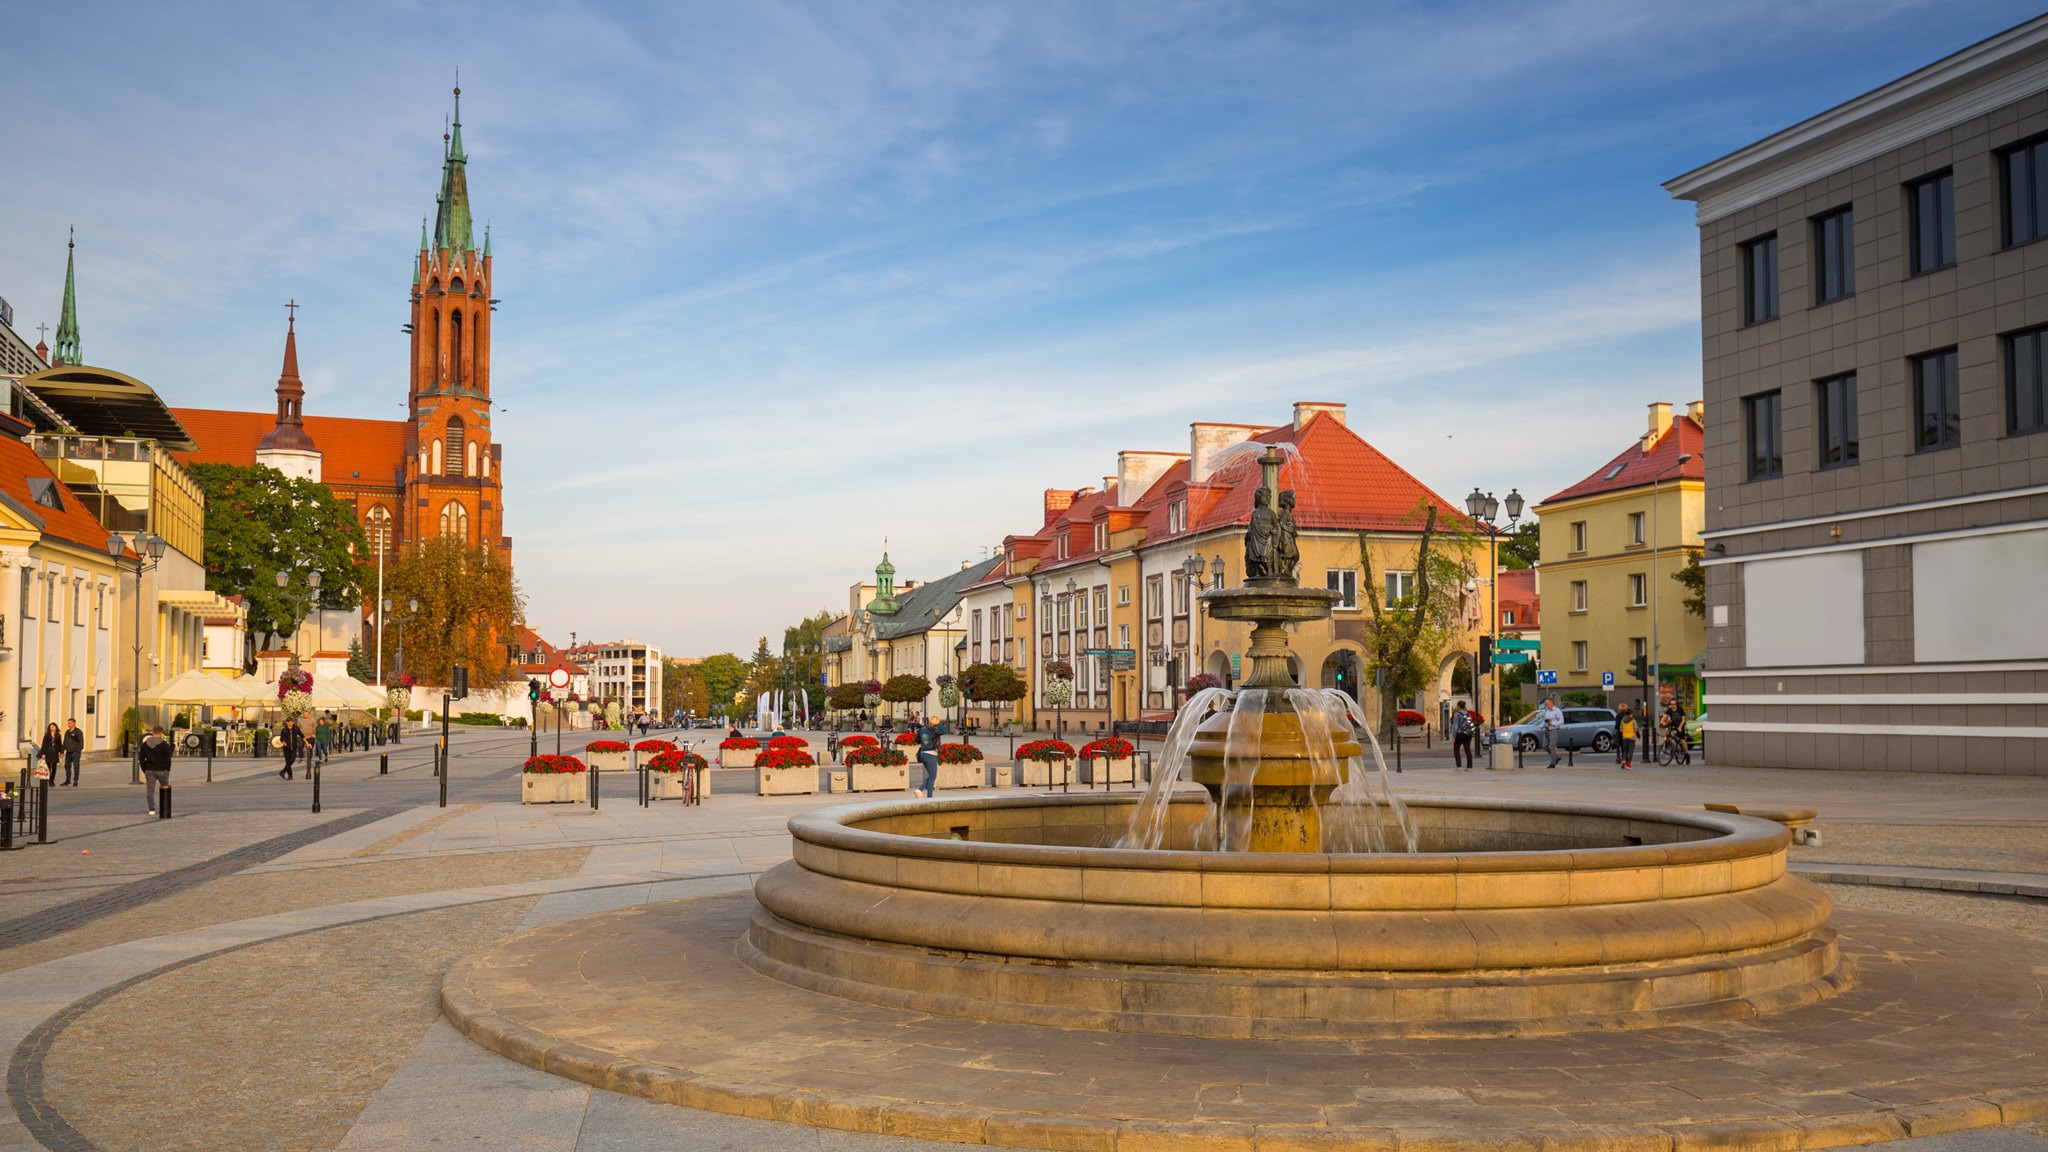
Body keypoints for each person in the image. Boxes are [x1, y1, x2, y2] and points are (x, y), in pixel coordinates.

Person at [912, 713, 950, 798]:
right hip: (930, 754)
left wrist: (924, 742)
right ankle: (921, 790)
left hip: (922, 754)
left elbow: (916, 740)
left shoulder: (922, 729)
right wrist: (938, 724)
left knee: (931, 776)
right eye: (937, 721)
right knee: (933, 776)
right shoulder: (934, 730)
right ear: (935, 722)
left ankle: (928, 796)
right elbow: (945, 730)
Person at [140, 724, 173, 815]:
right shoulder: (164, 744)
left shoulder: (145, 744)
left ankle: (152, 809)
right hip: (162, 770)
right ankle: (165, 809)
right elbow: (167, 759)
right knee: (165, 789)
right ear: (161, 733)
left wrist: (145, 769)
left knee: (150, 790)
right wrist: (167, 769)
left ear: (152, 732)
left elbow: (141, 759)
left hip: (149, 770)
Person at [1539, 697, 1564, 768]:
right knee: (1544, 746)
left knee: (1552, 747)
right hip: (1546, 730)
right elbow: (1545, 721)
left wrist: (1552, 723)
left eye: (1547, 704)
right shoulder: (1547, 711)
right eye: (1545, 704)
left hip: (1554, 730)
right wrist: (1541, 726)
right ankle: (1556, 757)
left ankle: (1552, 764)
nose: (1546, 705)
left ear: (1551, 703)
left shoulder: (1557, 711)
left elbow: (1561, 721)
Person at [1449, 701, 1475, 770]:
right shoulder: (1468, 714)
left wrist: (1453, 736)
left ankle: (1459, 766)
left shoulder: (1457, 714)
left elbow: (1455, 726)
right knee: (1468, 750)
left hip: (1460, 734)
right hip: (1468, 734)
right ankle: (1469, 766)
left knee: (1456, 750)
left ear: (1458, 706)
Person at [61, 718, 84, 786]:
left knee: (76, 767)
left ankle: (75, 780)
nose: (68, 724)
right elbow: (64, 742)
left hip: (75, 753)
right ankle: (68, 780)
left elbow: (81, 743)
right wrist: (62, 751)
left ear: (74, 723)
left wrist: (78, 751)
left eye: (70, 723)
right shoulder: (67, 732)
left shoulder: (78, 732)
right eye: (68, 723)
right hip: (68, 752)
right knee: (67, 766)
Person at [1617, 704, 1636, 770]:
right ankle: (1628, 764)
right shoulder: (1633, 720)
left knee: (1624, 750)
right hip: (1632, 737)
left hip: (1624, 736)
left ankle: (1623, 760)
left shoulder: (1621, 718)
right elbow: (1636, 729)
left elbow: (1619, 728)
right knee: (1630, 751)